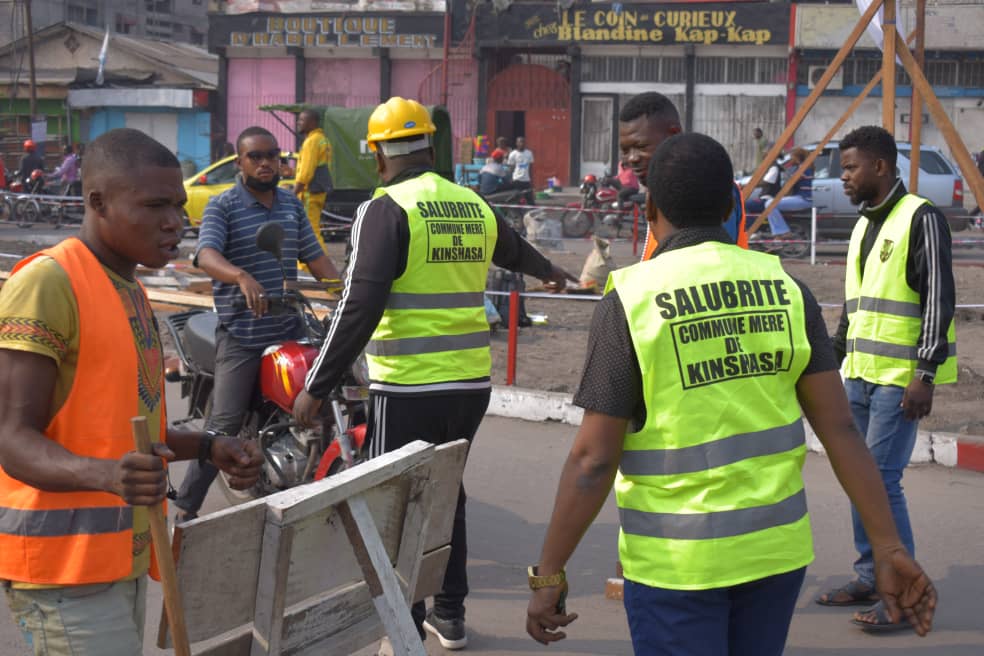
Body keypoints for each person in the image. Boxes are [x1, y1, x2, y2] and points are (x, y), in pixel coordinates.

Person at [524, 132, 937, 655]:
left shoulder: (630, 300)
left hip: (678, 567)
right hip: (775, 560)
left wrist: (549, 575)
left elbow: (592, 462)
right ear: (729, 206)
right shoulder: (787, 288)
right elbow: (839, 429)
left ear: (650, 205)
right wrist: (887, 544)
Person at [291, 96, 574, 651]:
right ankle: (449, 615)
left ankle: (404, 617)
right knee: (448, 497)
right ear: (429, 146)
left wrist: (316, 385)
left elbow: (357, 304)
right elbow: (513, 248)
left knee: (396, 503)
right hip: (470, 385)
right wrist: (551, 271)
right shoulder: (470, 202)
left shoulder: (385, 209)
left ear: (378, 155)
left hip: (409, 384)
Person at [0, 128, 263, 654]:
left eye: (179, 205)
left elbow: (126, 432)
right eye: (155, 205)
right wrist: (106, 476)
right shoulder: (48, 283)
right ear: (97, 201)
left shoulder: (132, 291)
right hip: (62, 571)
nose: (175, 222)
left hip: (123, 558)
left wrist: (209, 445)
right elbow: (11, 437)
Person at [817, 125, 956, 631]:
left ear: (880, 166)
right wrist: (828, 362)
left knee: (879, 479)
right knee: (861, 479)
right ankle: (871, 574)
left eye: (850, 167)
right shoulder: (862, 225)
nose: (843, 177)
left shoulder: (920, 217)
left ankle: (903, 593)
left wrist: (925, 372)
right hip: (858, 374)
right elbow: (854, 306)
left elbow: (940, 298)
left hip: (900, 377)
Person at [174, 126, 339, 521]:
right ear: (240, 161)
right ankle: (185, 509)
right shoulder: (223, 205)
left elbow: (316, 258)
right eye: (256, 157)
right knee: (223, 425)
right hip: (243, 334)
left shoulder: (290, 205)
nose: (266, 163)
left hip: (290, 326)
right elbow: (206, 254)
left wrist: (348, 294)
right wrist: (240, 277)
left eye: (272, 155)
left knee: (330, 397)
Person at [622, 92, 747, 259]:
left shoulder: (710, 186)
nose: (632, 158)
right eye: (625, 150)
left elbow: (712, 266)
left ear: (673, 133)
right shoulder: (661, 191)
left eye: (642, 146)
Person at [294, 108, 334, 254]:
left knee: (310, 230)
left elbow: (306, 172)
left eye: (302, 120)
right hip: (319, 190)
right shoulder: (323, 140)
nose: (298, 123)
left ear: (312, 122)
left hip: (309, 193)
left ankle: (320, 262)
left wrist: (294, 192)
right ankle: (306, 265)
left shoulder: (312, 141)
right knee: (311, 227)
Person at [506, 136, 535, 205]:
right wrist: (511, 179)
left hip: (526, 180)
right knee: (517, 199)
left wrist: (531, 179)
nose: (521, 143)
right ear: (517, 143)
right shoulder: (513, 154)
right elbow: (511, 168)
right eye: (520, 142)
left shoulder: (529, 153)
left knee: (530, 200)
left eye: (523, 142)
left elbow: (531, 167)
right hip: (517, 180)